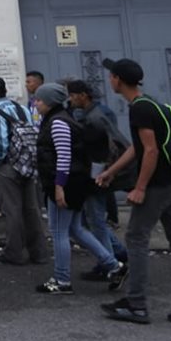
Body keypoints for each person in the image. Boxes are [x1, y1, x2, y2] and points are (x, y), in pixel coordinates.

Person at [95, 58, 171, 327]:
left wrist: (140, 188)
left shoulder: (139, 109)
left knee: (136, 238)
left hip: (156, 185)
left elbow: (150, 151)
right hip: (170, 183)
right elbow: (137, 148)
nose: (109, 80)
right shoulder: (148, 103)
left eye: (111, 76)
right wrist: (111, 171)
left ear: (117, 79)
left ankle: (136, 304)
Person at [34, 82, 126, 295]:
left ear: (49, 101)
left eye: (39, 99)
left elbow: (64, 157)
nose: (36, 103)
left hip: (66, 184)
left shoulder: (57, 123)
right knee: (76, 229)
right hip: (73, 182)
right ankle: (113, 265)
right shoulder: (63, 118)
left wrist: (59, 187)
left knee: (58, 232)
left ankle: (62, 279)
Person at [0, 77, 47, 265]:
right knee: (31, 209)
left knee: (12, 209)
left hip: (8, 165)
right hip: (28, 162)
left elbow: (0, 141)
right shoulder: (21, 108)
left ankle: (14, 252)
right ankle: (39, 252)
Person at [67, 79, 128, 278]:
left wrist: (104, 173)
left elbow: (108, 147)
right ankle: (117, 253)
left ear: (83, 95)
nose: (71, 99)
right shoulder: (90, 114)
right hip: (98, 172)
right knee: (93, 220)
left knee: (95, 221)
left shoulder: (95, 117)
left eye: (73, 95)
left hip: (97, 175)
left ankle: (108, 265)